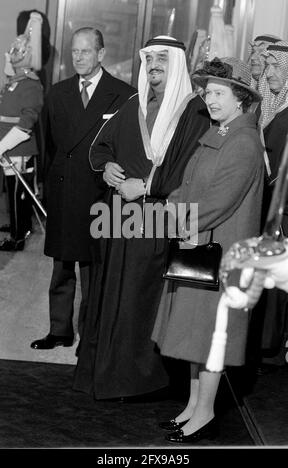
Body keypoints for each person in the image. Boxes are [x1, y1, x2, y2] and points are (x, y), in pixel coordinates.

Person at [72, 35, 211, 400]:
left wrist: (145, 187)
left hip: (159, 222)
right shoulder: (134, 104)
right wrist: (107, 169)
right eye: (149, 60)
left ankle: (138, 382)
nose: (153, 67)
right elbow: (99, 147)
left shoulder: (194, 112)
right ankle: (105, 375)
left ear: (177, 63)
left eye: (161, 60)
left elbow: (189, 169)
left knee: (140, 298)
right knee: (109, 294)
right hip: (118, 221)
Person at [151, 56, 264, 443]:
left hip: (222, 257)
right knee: (196, 337)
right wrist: (172, 206)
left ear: (241, 98)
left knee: (213, 338)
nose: (209, 99)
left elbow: (220, 200)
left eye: (218, 93)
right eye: (208, 93)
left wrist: (180, 218)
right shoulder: (218, 134)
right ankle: (193, 407)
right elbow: (189, 183)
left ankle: (205, 412)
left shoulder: (244, 141)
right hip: (201, 248)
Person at [30, 27, 135, 351]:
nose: (78, 57)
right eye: (74, 51)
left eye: (85, 51)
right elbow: (47, 145)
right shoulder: (58, 92)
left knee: (94, 270)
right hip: (63, 191)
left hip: (98, 194)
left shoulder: (123, 93)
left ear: (101, 54)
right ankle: (59, 330)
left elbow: (127, 146)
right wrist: (45, 185)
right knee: (61, 265)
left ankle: (89, 337)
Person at [252, 41, 288, 369]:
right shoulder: (268, 108)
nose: (270, 72)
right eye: (268, 67)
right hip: (263, 209)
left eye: (277, 66)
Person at [0, 12, 44, 252]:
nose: (11, 54)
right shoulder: (15, 81)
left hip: (18, 148)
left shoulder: (30, 84)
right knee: (13, 194)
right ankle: (19, 227)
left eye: (16, 52)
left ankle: (17, 238)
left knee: (19, 196)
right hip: (9, 148)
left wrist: (1, 146)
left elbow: (26, 123)